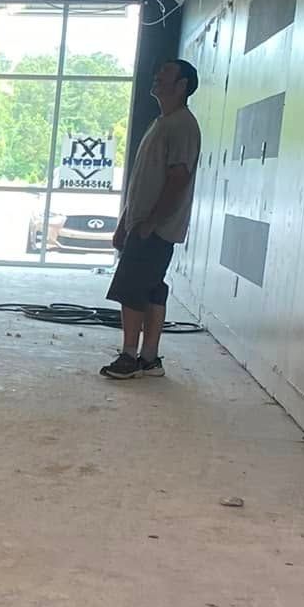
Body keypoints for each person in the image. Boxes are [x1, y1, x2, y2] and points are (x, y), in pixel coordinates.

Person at [100, 58, 201, 381]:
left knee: (131, 289)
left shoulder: (181, 125)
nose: (157, 76)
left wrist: (151, 222)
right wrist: (125, 222)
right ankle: (149, 358)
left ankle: (129, 356)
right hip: (144, 224)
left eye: (165, 73)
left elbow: (178, 177)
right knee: (153, 288)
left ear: (182, 85)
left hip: (155, 227)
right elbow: (142, 180)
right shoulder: (162, 122)